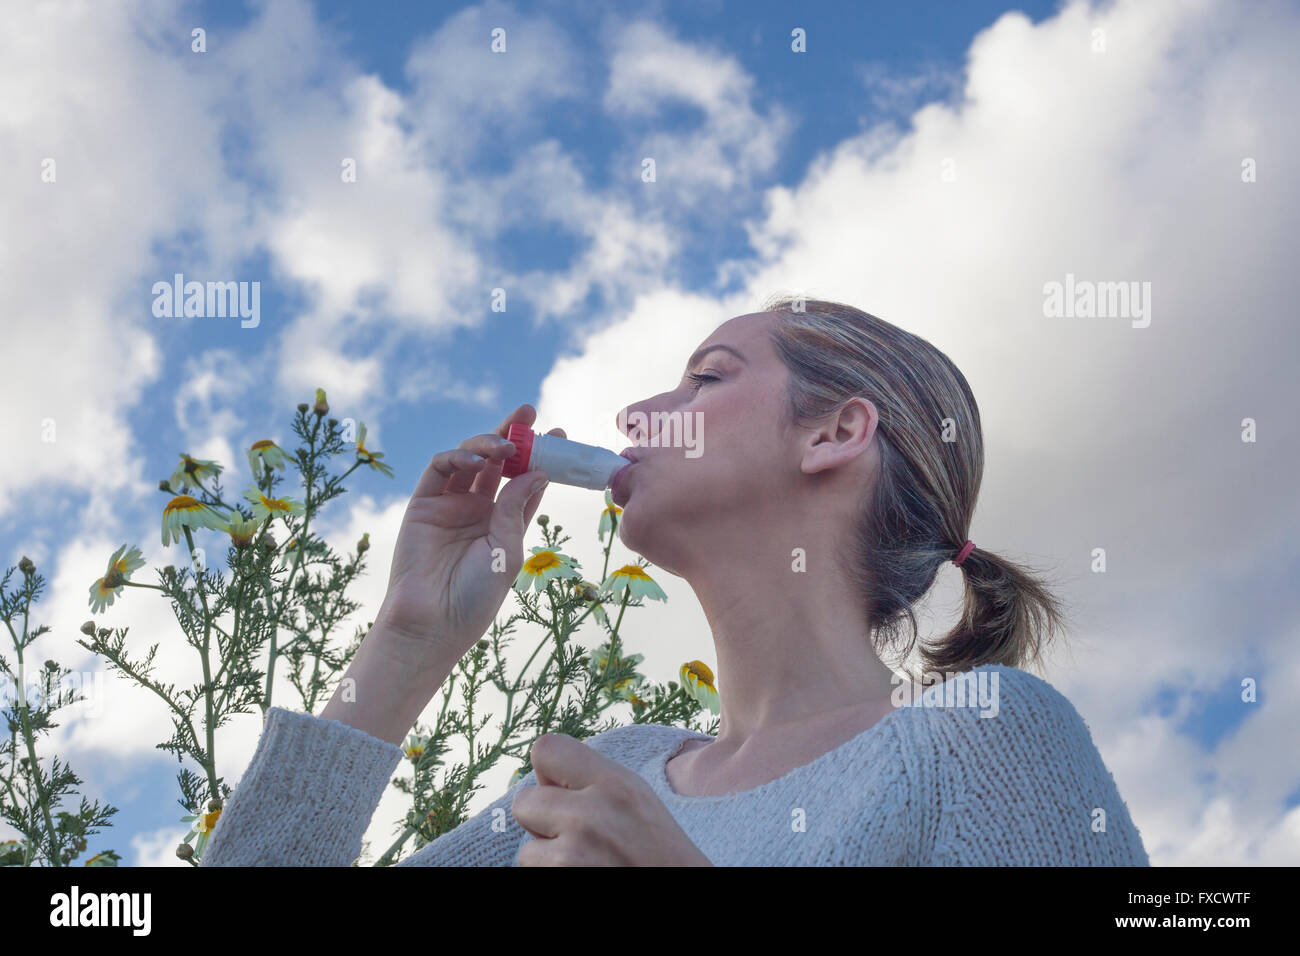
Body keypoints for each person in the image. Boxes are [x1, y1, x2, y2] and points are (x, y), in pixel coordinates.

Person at [200, 295, 1150, 866]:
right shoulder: (611, 774)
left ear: (833, 434)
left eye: (706, 378)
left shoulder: (982, 739)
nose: (637, 413)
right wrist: (406, 644)